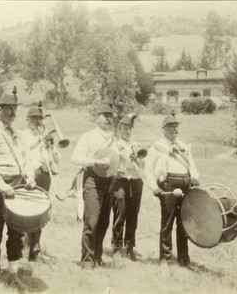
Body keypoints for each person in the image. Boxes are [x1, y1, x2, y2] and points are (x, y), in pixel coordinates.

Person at [0, 89, 35, 292]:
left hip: (18, 187)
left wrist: (30, 175)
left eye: (15, 110)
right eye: (9, 109)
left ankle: (12, 274)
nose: (13, 114)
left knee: (17, 232)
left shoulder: (19, 134)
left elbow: (28, 160)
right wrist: (1, 184)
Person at [144, 111, 199, 267]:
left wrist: (194, 178)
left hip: (185, 185)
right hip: (168, 185)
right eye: (171, 127)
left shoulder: (182, 146)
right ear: (163, 129)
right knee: (167, 223)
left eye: (176, 127)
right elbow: (148, 169)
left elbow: (192, 164)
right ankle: (165, 258)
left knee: (184, 223)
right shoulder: (156, 147)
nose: (175, 130)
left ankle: (183, 257)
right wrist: (154, 188)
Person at [71, 103, 119, 269]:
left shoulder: (114, 138)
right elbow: (75, 157)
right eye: (105, 115)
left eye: (110, 116)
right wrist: (94, 162)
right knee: (92, 221)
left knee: (104, 221)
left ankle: (97, 257)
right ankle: (87, 261)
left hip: (110, 181)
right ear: (96, 118)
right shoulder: (89, 137)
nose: (108, 119)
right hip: (92, 179)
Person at [21, 105, 60, 262]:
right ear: (27, 120)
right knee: (26, 213)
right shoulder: (23, 135)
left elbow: (57, 160)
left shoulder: (46, 135)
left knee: (40, 213)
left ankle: (35, 249)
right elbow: (23, 154)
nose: (38, 121)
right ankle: (23, 250)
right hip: (30, 175)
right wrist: (38, 141)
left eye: (40, 118)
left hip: (45, 175)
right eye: (34, 118)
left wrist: (51, 146)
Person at [111, 113, 145, 261]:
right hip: (121, 180)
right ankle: (117, 246)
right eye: (125, 128)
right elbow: (112, 162)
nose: (128, 131)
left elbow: (143, 165)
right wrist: (124, 154)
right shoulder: (114, 144)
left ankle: (130, 246)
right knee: (120, 213)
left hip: (136, 181)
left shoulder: (136, 145)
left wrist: (137, 157)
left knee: (133, 215)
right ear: (119, 129)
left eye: (130, 128)